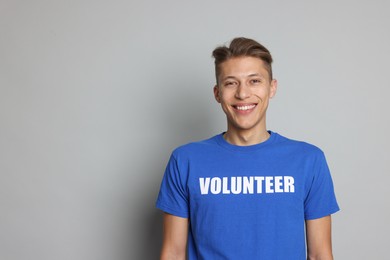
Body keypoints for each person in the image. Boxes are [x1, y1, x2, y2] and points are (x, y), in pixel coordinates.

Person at [156, 37, 339, 259]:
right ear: (217, 93)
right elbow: (173, 253)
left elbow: (320, 254)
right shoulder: (185, 161)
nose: (243, 94)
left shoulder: (309, 160)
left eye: (254, 81)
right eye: (231, 83)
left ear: (272, 88)